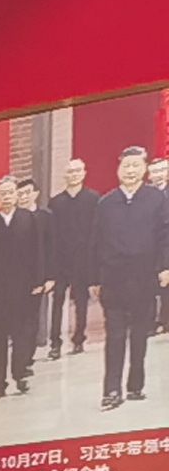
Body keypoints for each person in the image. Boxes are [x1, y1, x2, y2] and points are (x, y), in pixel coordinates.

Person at [98, 144, 164, 407]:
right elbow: (95, 242)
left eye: (136, 165)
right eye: (126, 166)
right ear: (118, 169)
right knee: (114, 335)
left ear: (145, 168)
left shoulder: (157, 199)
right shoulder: (106, 203)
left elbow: (165, 234)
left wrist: (165, 267)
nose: (130, 170)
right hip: (113, 279)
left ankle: (135, 385)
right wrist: (95, 278)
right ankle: (111, 390)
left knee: (139, 334)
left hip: (144, 277)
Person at [0, 167, 45, 397]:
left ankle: (20, 374)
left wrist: (40, 279)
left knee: (22, 334)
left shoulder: (29, 220)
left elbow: (38, 252)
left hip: (23, 288)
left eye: (10, 192)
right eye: (2, 193)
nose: (6, 197)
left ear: (16, 195)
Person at [46, 155, 102, 360]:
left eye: (78, 171)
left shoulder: (94, 199)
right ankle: (55, 342)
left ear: (84, 173)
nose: (74, 174)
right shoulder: (56, 202)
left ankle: (79, 338)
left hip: (83, 259)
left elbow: (97, 232)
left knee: (81, 301)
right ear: (65, 175)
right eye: (70, 171)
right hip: (61, 260)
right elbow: (52, 235)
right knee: (57, 301)